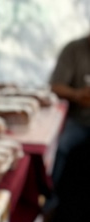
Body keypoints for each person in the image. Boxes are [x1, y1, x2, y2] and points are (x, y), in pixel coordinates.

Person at [49, 33, 90, 209]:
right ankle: (48, 203)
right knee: (58, 146)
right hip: (78, 119)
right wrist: (77, 95)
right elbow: (55, 86)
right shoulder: (74, 49)